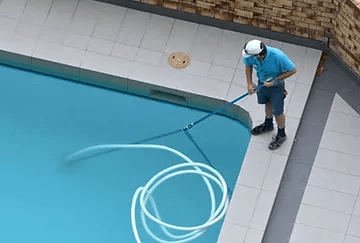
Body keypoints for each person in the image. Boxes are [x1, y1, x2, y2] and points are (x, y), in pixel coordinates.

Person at [242, 39, 296, 150]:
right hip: (262, 83)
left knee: (278, 112)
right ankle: (268, 124)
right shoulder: (251, 56)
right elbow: (248, 65)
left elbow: (292, 70)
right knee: (267, 102)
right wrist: (249, 83)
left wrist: (275, 80)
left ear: (259, 54)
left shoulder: (278, 56)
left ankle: (281, 134)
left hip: (276, 86)